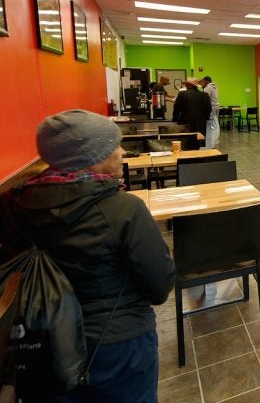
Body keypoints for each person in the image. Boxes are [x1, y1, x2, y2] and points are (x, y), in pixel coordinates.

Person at [0, 109, 175, 402]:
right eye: (112, 146)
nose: (121, 152)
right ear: (91, 157)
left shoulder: (10, 206)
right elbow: (159, 286)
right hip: (117, 347)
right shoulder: (124, 209)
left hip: (37, 341)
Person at [199, 76, 220, 149]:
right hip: (216, 107)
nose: (201, 83)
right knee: (214, 125)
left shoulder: (208, 88)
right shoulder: (214, 87)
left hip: (211, 108)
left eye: (202, 82)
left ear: (206, 81)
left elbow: (204, 98)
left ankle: (210, 143)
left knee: (210, 126)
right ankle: (214, 142)